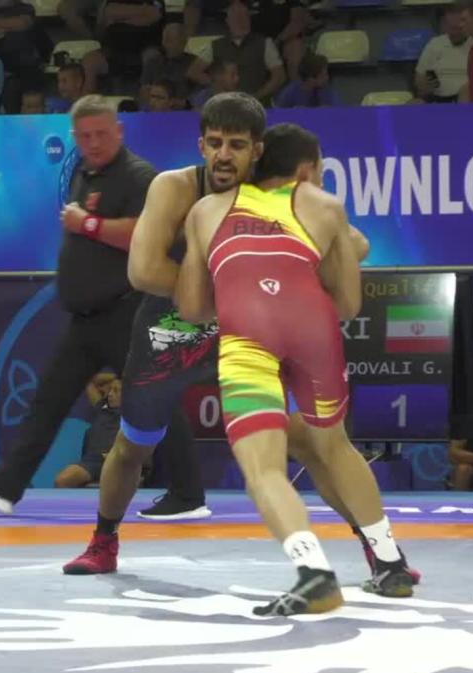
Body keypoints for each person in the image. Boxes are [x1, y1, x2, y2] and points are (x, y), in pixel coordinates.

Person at [63, 94, 417, 596]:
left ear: (257, 150)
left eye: (236, 145)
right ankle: (104, 540)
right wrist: (231, 292)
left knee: (314, 440)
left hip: (247, 331)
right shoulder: (175, 188)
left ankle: (380, 553)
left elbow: (355, 243)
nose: (223, 155)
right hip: (173, 331)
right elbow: (143, 270)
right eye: (214, 144)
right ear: (200, 146)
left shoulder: (271, 190)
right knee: (133, 444)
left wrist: (269, 280)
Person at [175, 122, 417, 615]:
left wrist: (243, 292)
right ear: (307, 170)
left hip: (247, 336)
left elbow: (193, 308)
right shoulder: (323, 206)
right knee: (335, 446)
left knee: (263, 467)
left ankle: (314, 574)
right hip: (312, 330)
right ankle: (391, 564)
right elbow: (348, 305)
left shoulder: (205, 210)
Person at [0, 95, 207, 518]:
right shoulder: (84, 173)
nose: (94, 143)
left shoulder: (138, 176)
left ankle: (188, 495)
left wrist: (87, 224)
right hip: (87, 319)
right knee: (49, 400)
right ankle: (8, 485)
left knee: (155, 398)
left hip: (126, 312)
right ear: (75, 136)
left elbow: (147, 235)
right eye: (85, 136)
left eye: (102, 134)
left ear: (119, 131)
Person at [54, 373, 126, 487]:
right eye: (110, 390)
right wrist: (117, 375)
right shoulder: (101, 408)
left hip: (117, 460)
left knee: (64, 479)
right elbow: (90, 381)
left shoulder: (136, 414)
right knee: (63, 480)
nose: (110, 394)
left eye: (116, 391)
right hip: (94, 460)